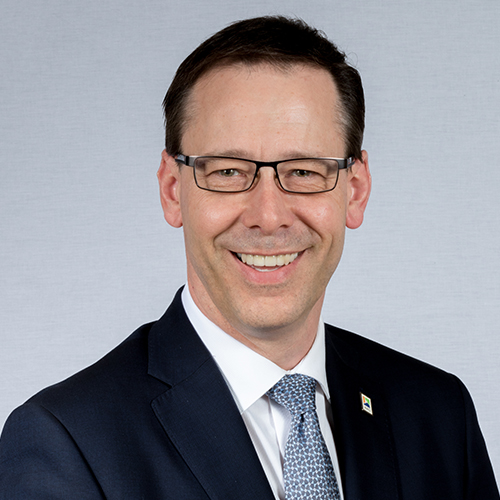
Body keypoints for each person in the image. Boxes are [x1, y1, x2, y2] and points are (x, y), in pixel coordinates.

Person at [0, 15, 498, 500]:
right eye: (228, 172)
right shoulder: (67, 444)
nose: (268, 215)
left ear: (356, 190)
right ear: (173, 190)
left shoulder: (437, 414)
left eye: (304, 171)